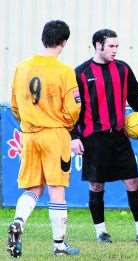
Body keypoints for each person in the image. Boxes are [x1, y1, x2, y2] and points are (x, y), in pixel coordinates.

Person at [7, 20, 81, 257]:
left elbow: (14, 106)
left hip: (28, 134)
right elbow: (74, 109)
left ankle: (18, 220)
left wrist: (28, 122)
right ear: (64, 42)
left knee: (33, 188)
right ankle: (59, 245)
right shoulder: (64, 71)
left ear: (43, 38)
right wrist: (65, 126)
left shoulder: (22, 67)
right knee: (57, 189)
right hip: (54, 134)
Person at [71, 29, 138, 243]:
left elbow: (137, 101)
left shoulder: (123, 69)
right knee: (96, 185)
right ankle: (101, 232)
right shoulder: (80, 72)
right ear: (98, 45)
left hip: (119, 136)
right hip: (94, 139)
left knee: (133, 182)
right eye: (111, 46)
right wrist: (73, 137)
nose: (115, 50)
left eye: (117, 46)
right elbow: (72, 110)